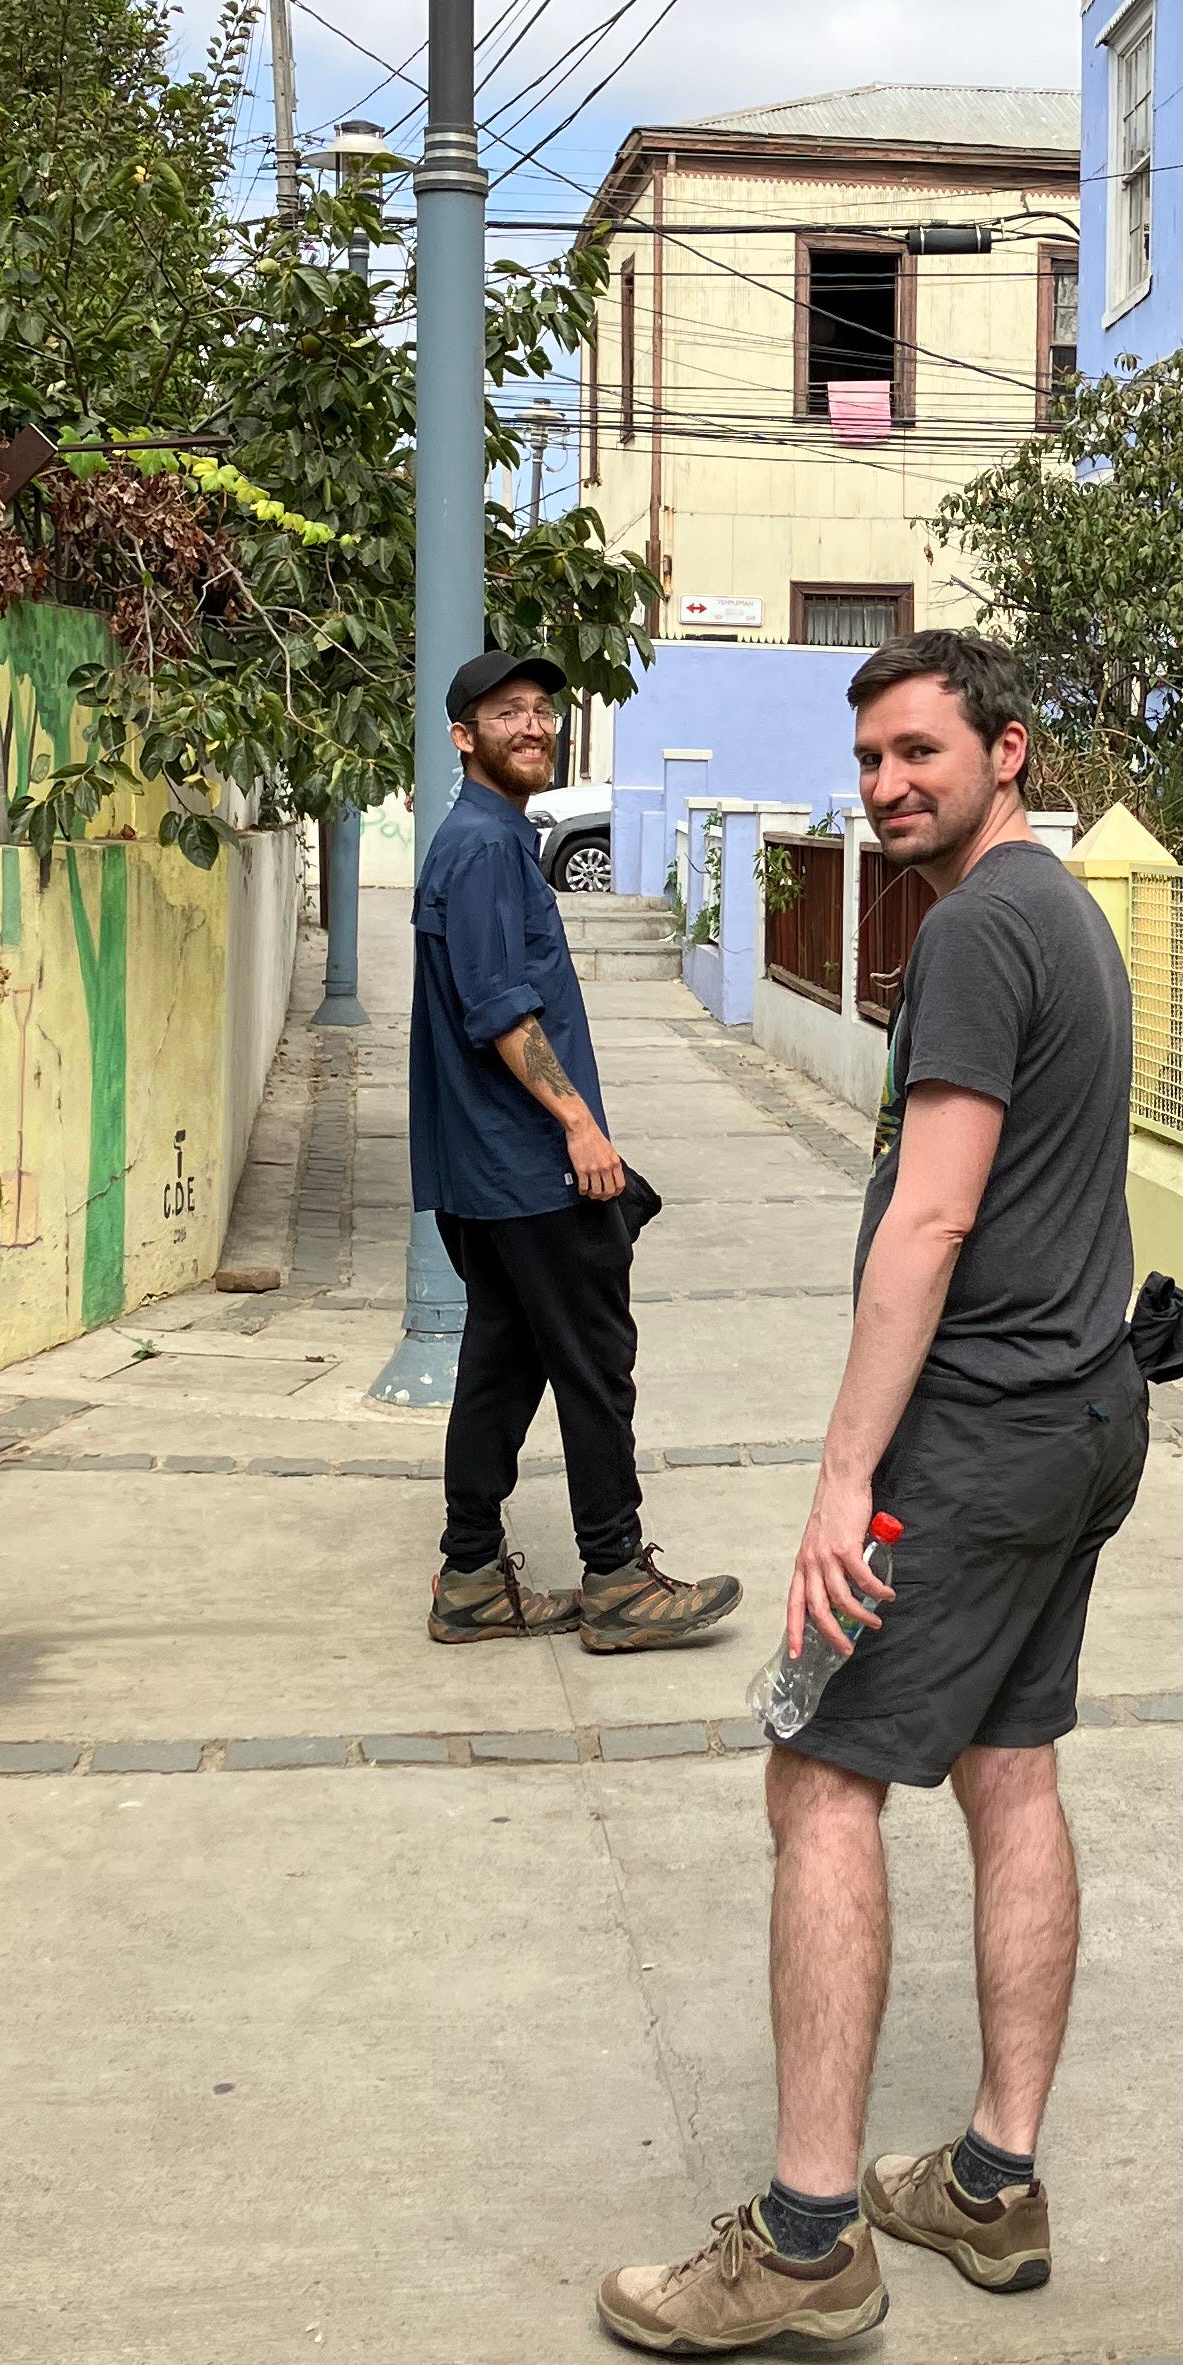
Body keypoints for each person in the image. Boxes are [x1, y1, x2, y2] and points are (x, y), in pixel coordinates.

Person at [597, 630, 1146, 2359]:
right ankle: (991, 2180)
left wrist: (842, 1485)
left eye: (920, 751)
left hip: (976, 1440)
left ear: (1009, 749)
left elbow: (933, 1213)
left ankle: (807, 2238)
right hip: (1083, 1415)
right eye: (869, 759)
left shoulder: (979, 931)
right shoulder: (1064, 911)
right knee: (1009, 1766)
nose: (888, 784)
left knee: (820, 1778)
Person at [412, 648, 740, 1655]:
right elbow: (499, 1009)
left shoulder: (490, 840)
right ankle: (617, 1576)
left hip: (493, 1170)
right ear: (463, 736)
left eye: (543, 712)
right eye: (507, 712)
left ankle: (471, 1578)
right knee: (595, 1361)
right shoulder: (483, 847)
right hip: (528, 1166)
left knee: (503, 1366)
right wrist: (580, 1127)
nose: (533, 726)